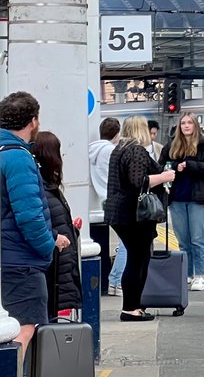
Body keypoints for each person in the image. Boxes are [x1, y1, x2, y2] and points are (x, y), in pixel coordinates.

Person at [0, 91, 57, 377]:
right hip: (20, 259)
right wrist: (48, 246)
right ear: (32, 121)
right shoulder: (18, 158)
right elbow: (29, 216)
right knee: (23, 330)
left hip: (6, 256)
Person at [105, 116, 174, 321]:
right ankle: (131, 308)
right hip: (134, 214)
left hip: (121, 213)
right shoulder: (136, 150)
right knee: (137, 260)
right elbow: (138, 182)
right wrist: (164, 177)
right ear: (141, 130)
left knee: (138, 258)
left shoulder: (119, 150)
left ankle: (135, 305)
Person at [164, 113, 204, 291]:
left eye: (190, 123)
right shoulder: (172, 146)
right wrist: (174, 167)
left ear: (195, 126)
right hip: (177, 199)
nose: (186, 126)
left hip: (198, 199)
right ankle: (186, 274)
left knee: (198, 239)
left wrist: (191, 165)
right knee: (183, 240)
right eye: (183, 123)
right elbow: (161, 166)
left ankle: (199, 276)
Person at [32, 132, 82, 319]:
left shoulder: (45, 187)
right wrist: (56, 236)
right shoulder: (45, 188)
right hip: (53, 268)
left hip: (55, 267)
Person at [88, 116, 120, 291]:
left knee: (98, 243)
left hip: (94, 203)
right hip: (111, 200)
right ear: (116, 134)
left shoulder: (90, 149)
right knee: (123, 243)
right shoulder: (111, 151)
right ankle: (113, 281)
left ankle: (104, 282)